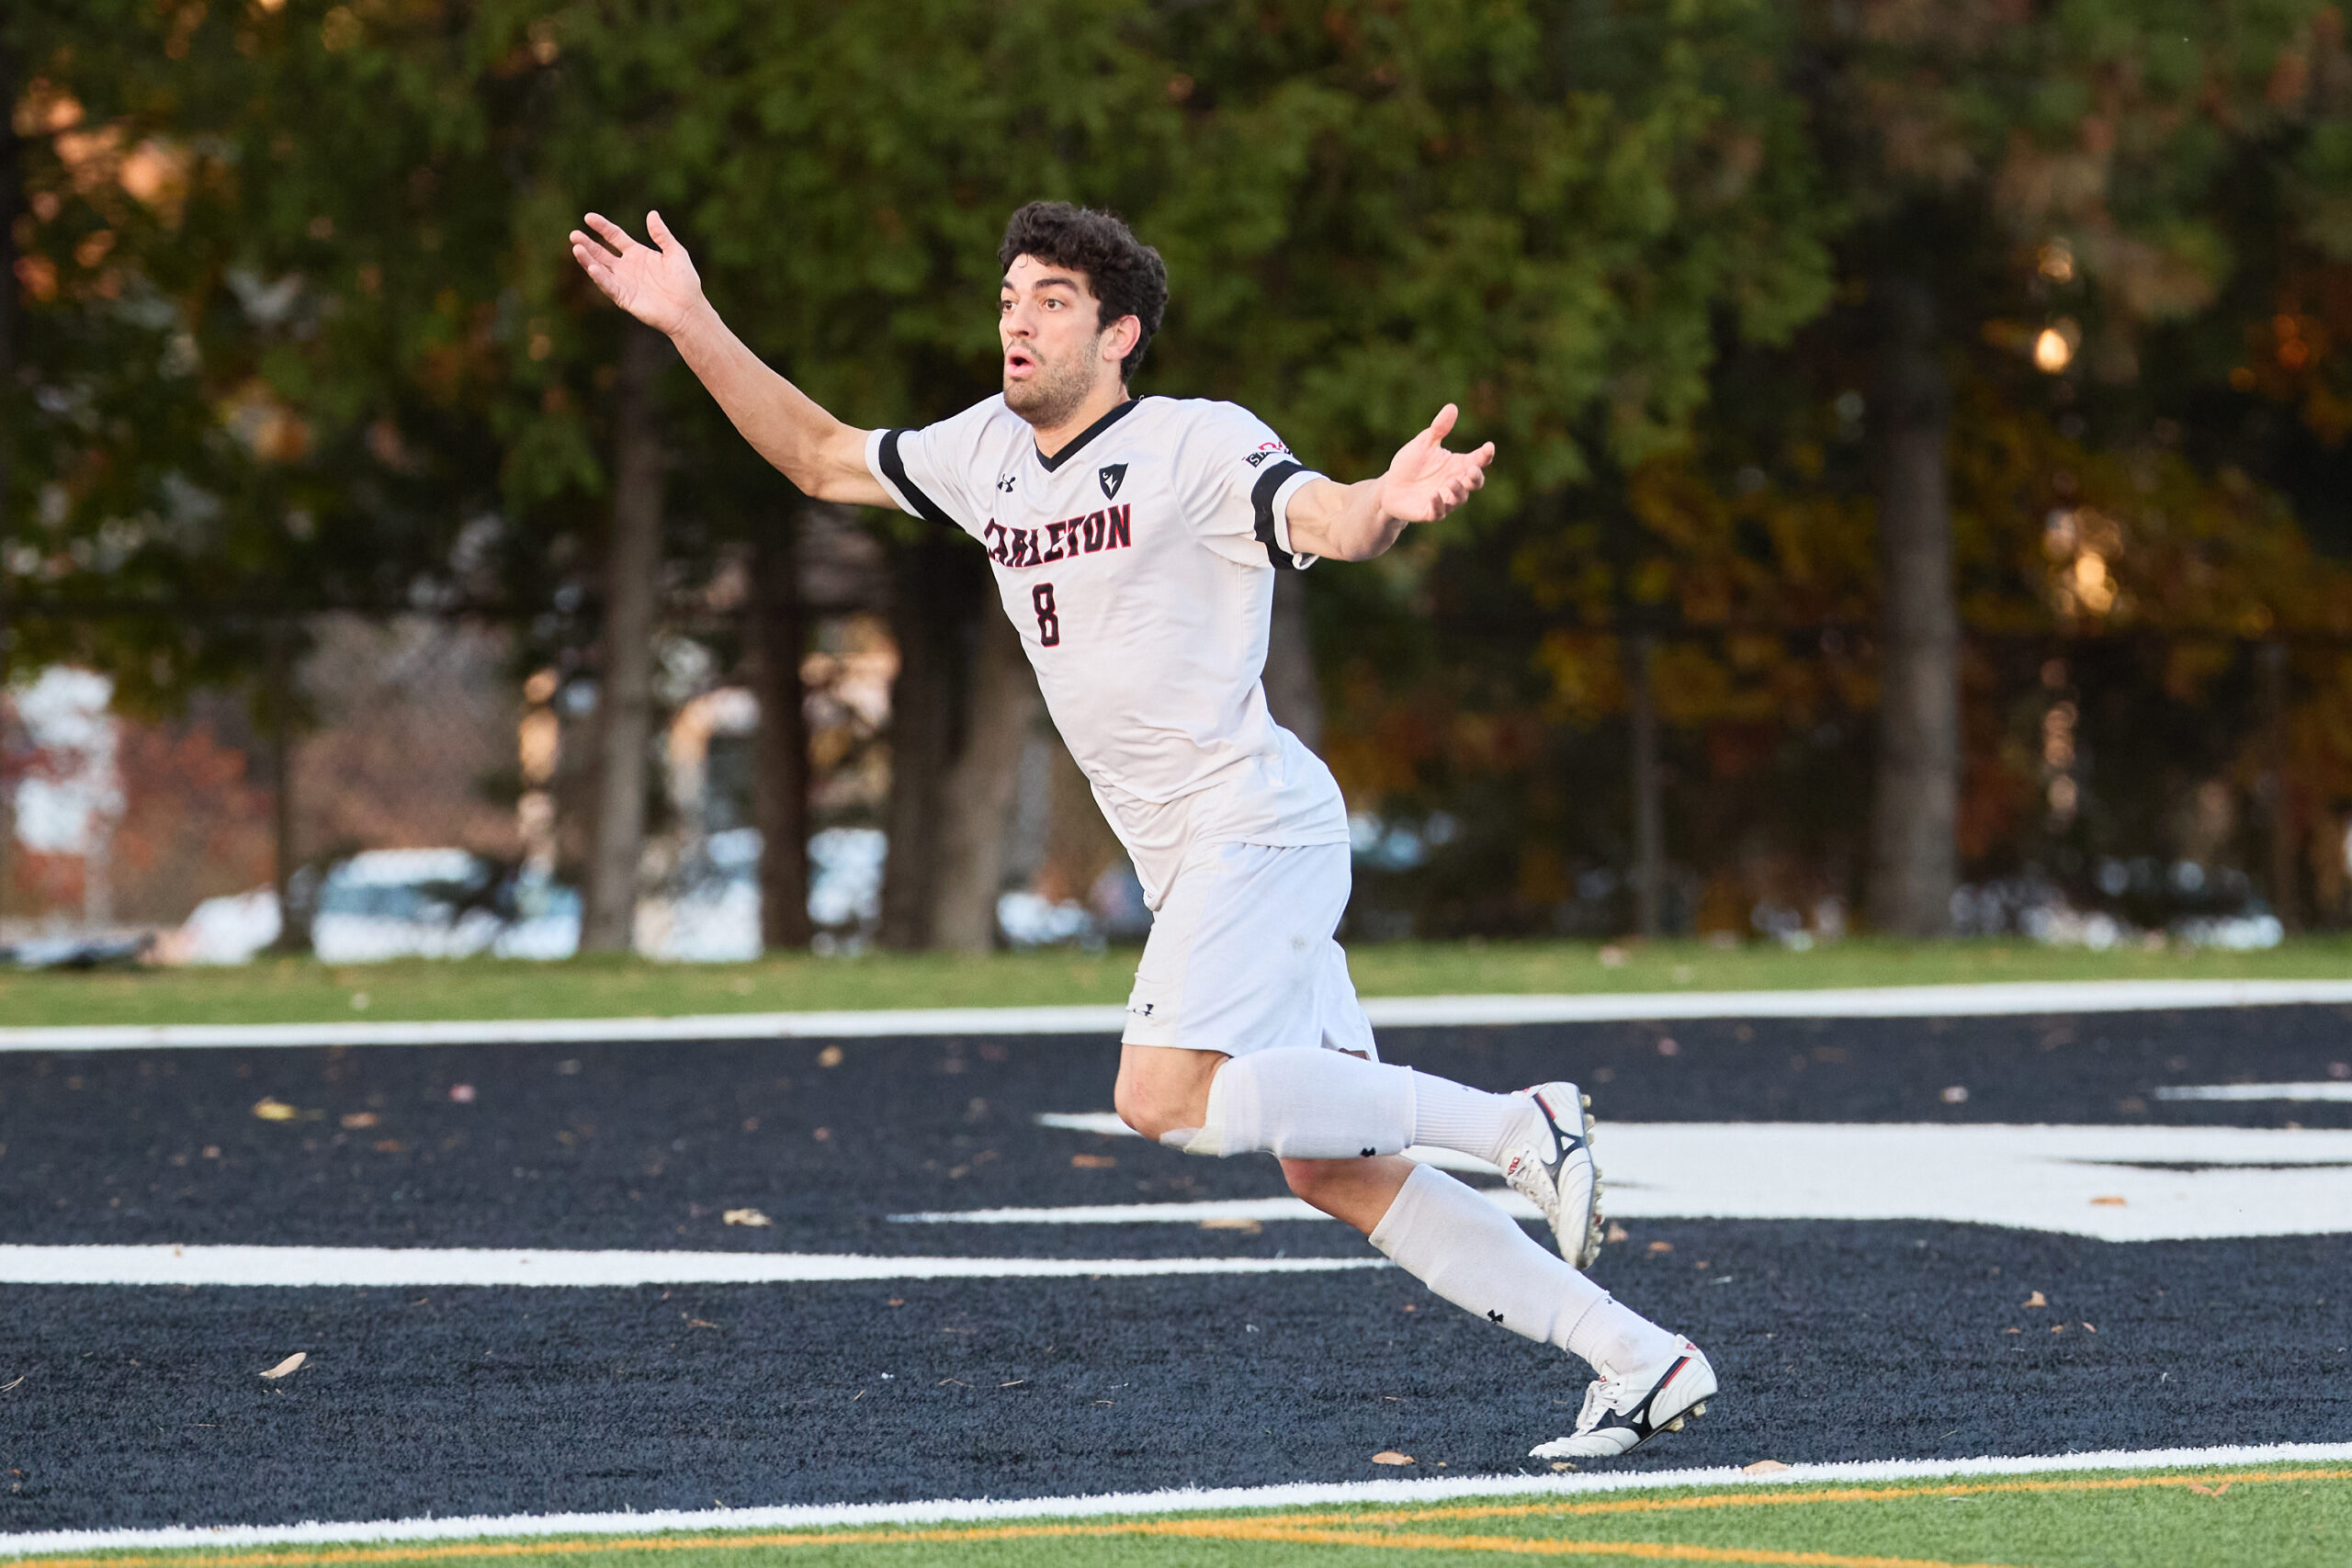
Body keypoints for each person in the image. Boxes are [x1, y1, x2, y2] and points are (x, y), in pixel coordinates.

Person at [570, 198, 1713, 1459]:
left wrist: (1386, 501)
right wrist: (686, 318)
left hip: (1257, 827)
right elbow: (820, 455)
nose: (1017, 321)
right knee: (1335, 1168)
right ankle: (1639, 1356)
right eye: (1009, 298)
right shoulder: (984, 454)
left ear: (1119, 334)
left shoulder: (1193, 446)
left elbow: (1322, 514)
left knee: (1156, 1096)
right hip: (1197, 865)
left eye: (1051, 301)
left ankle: (1520, 1124)